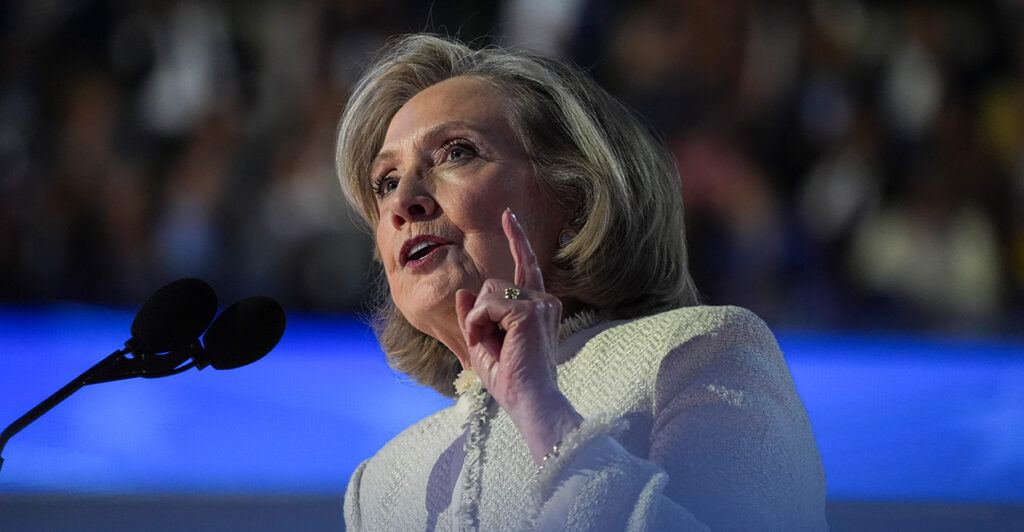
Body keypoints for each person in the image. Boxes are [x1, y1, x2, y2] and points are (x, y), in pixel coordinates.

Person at [335, 34, 827, 531]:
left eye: (456, 152)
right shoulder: (381, 483)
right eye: (387, 182)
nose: (403, 203)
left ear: (575, 194)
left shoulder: (695, 353)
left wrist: (545, 416)